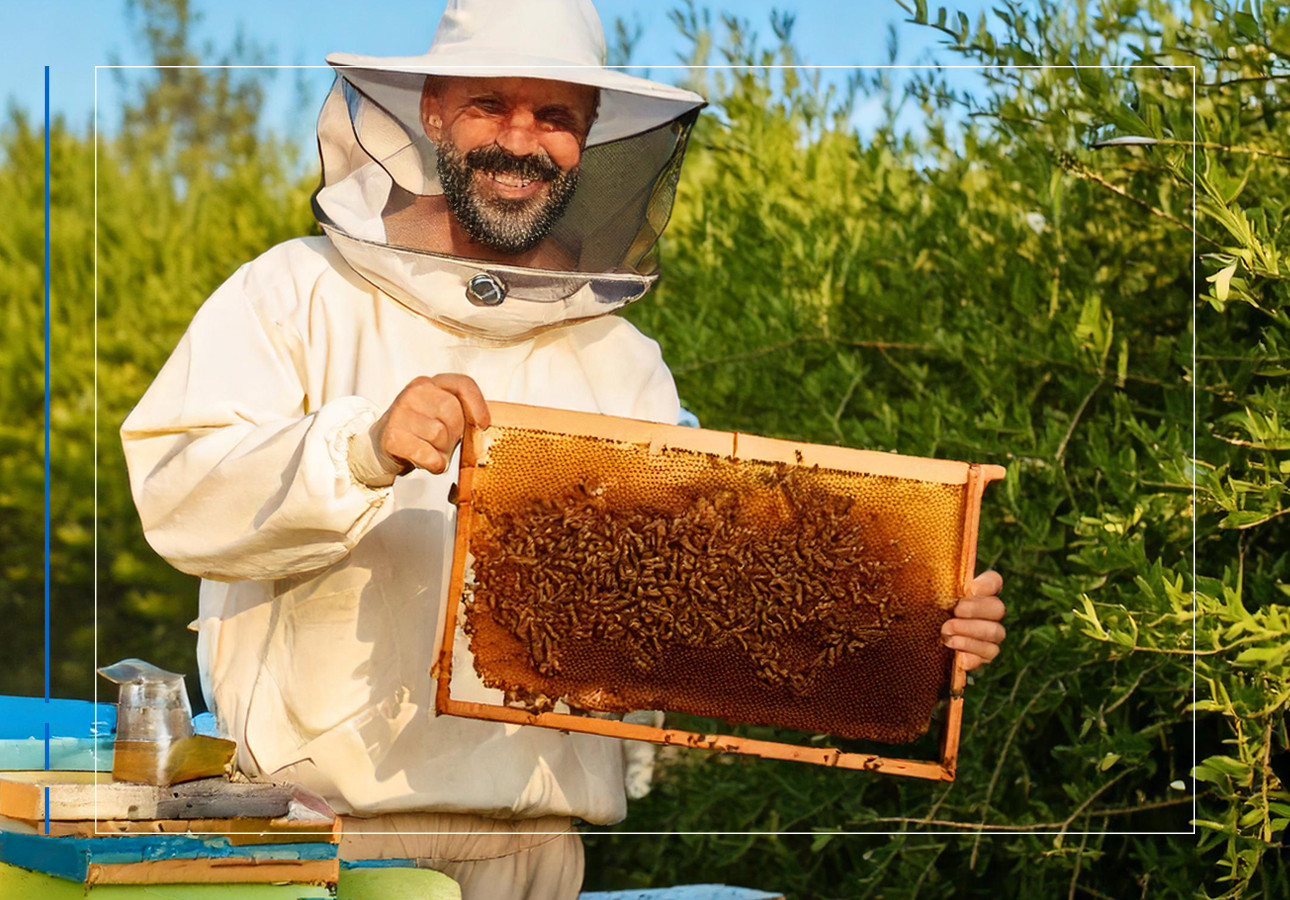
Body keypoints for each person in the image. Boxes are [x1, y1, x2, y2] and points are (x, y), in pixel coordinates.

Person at [120, 1, 1006, 897]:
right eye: (489, 105)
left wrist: (908, 622)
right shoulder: (295, 291)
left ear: (589, 138)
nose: (521, 140)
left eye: (554, 116)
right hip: (317, 847)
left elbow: (709, 600)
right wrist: (359, 449)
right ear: (432, 111)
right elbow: (175, 489)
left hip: (538, 855)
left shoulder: (622, 361)